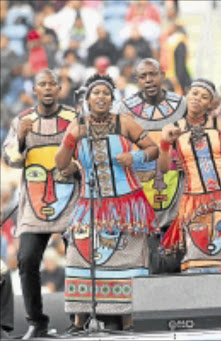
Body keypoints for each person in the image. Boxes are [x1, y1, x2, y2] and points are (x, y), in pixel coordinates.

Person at [55, 73, 158, 331]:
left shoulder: (125, 123)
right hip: (90, 204)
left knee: (129, 259)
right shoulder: (77, 126)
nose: (101, 97)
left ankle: (129, 320)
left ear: (113, 98)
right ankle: (79, 321)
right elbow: (60, 164)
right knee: (79, 257)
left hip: (127, 205)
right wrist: (71, 138)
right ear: (87, 99)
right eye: (96, 93)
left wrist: (135, 157)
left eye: (106, 93)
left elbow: (153, 149)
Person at [159, 79, 221, 303]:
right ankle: (203, 304)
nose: (197, 99)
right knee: (197, 253)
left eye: (204, 97)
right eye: (194, 93)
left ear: (210, 103)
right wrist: (165, 144)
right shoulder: (175, 128)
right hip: (193, 201)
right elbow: (164, 168)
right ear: (186, 95)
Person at [1, 69, 79, 339]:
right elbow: (11, 159)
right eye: (42, 84)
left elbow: (86, 156)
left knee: (77, 259)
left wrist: (76, 167)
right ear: (34, 89)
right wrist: (21, 138)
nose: (47, 88)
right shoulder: (21, 119)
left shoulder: (73, 118)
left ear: (59, 88)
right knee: (26, 259)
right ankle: (37, 322)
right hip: (35, 203)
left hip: (71, 200)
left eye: (52, 84)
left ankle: (77, 321)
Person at [114, 58, 187, 273]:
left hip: (177, 185)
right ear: (136, 80)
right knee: (148, 257)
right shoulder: (124, 109)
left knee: (177, 254)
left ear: (162, 75)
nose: (149, 80)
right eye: (143, 76)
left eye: (152, 74)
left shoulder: (181, 104)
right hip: (140, 184)